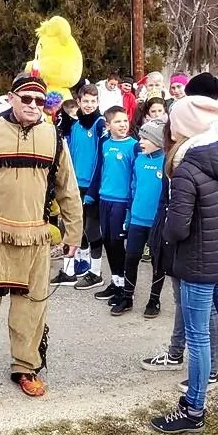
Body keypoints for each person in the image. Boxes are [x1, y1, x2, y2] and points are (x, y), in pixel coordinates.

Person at [0, 72, 83, 400]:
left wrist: (74, 233)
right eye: (27, 99)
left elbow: (68, 190)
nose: (34, 105)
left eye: (40, 100)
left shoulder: (54, 137)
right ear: (11, 98)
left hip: (35, 239)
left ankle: (26, 367)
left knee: (31, 309)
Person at [150, 93, 218, 435]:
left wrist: (165, 235)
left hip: (198, 262)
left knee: (198, 335)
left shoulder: (187, 167)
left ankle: (194, 408)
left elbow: (178, 226)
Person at [111, 119, 167, 317]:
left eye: (144, 138)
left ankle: (154, 300)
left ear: (158, 141)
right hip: (136, 219)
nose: (140, 142)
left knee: (157, 262)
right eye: (140, 137)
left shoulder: (167, 162)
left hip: (157, 222)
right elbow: (133, 189)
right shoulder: (139, 159)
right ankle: (127, 297)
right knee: (131, 258)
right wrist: (128, 215)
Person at [85, 105, 139, 305]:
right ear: (108, 125)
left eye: (125, 121)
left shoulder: (134, 146)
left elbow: (136, 177)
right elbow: (98, 170)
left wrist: (131, 206)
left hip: (121, 202)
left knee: (117, 244)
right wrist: (91, 194)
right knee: (107, 241)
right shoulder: (105, 143)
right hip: (104, 200)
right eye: (117, 121)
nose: (123, 125)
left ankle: (126, 287)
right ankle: (115, 282)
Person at [60, 84, 106, 289]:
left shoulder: (99, 124)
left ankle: (96, 272)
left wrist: (95, 188)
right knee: (72, 227)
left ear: (98, 103)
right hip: (73, 184)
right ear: (78, 102)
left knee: (91, 228)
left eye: (93, 101)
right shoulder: (75, 126)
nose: (89, 105)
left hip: (92, 185)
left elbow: (101, 158)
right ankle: (74, 267)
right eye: (85, 101)